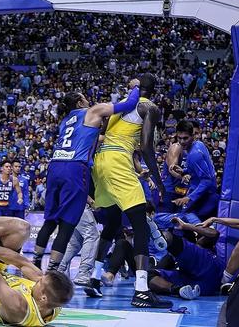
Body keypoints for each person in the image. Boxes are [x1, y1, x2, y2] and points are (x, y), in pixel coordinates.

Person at [85, 73, 172, 308]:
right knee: (140, 225)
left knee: (112, 224)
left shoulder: (117, 106)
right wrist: (159, 181)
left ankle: (93, 278)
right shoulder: (150, 108)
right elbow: (145, 148)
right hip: (117, 161)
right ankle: (142, 291)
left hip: (100, 162)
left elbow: (100, 135)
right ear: (154, 90)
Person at [33, 84, 140, 272]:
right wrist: (136, 87)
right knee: (67, 224)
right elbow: (130, 104)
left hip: (55, 166)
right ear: (79, 101)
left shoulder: (65, 120)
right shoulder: (92, 110)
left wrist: (105, 138)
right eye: (85, 97)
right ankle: (52, 271)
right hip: (74, 168)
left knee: (50, 221)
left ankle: (34, 262)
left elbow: (89, 139)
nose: (88, 99)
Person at [147, 217, 223, 300]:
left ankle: (164, 238)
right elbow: (156, 271)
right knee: (148, 276)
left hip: (208, 271)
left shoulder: (202, 244)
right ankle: (178, 290)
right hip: (198, 286)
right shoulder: (171, 258)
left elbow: (214, 234)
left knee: (168, 236)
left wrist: (187, 226)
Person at [170, 120, 219, 220]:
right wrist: (184, 171)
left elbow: (207, 180)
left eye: (185, 138)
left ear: (192, 136)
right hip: (203, 194)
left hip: (205, 197)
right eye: (179, 138)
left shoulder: (194, 154)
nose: (182, 141)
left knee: (185, 223)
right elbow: (202, 169)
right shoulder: (199, 144)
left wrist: (189, 198)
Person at [56, 204, 100, 286]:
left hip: (67, 207)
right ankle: (83, 274)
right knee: (92, 236)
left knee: (75, 243)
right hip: (80, 205)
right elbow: (81, 191)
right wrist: (92, 203)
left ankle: (59, 270)